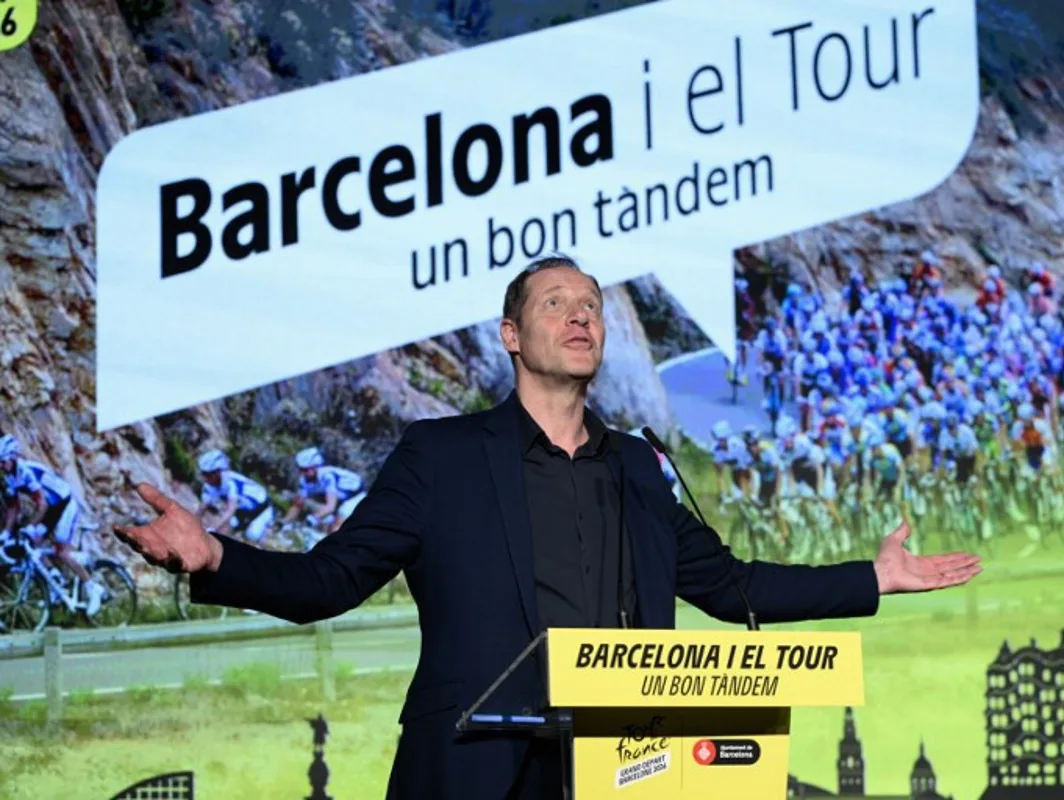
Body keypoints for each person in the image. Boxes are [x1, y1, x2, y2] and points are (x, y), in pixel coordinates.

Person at [112, 255, 982, 800]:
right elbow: (326, 583)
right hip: (475, 769)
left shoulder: (641, 465)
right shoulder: (440, 456)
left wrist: (875, 578)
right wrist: (214, 555)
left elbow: (733, 588)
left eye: (593, 306)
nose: (581, 316)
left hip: (624, 768)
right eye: (557, 302)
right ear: (511, 336)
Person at [0, 434, 105, 615]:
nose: (0, 466)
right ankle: (56, 580)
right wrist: (6, 533)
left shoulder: (26, 472)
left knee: (61, 551)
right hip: (50, 508)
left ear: (13, 457)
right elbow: (13, 507)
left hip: (64, 504)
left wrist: (29, 526)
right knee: (32, 543)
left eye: (2, 462)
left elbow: (42, 505)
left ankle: (93, 588)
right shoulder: (9, 476)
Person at [196, 449, 275, 544]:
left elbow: (230, 510)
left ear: (217, 472)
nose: (205, 478)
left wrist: (212, 529)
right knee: (224, 531)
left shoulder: (230, 481)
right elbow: (202, 508)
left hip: (262, 508)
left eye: (207, 474)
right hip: (243, 509)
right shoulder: (209, 484)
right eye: (203, 474)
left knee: (252, 536)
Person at [281, 447, 366, 533]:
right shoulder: (305, 480)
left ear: (315, 467)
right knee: (301, 502)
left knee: (337, 524)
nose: (302, 473)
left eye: (305, 470)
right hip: (341, 497)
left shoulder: (327, 476)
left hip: (356, 496)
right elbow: (298, 504)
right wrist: (284, 522)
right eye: (300, 469)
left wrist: (314, 517)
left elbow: (330, 507)